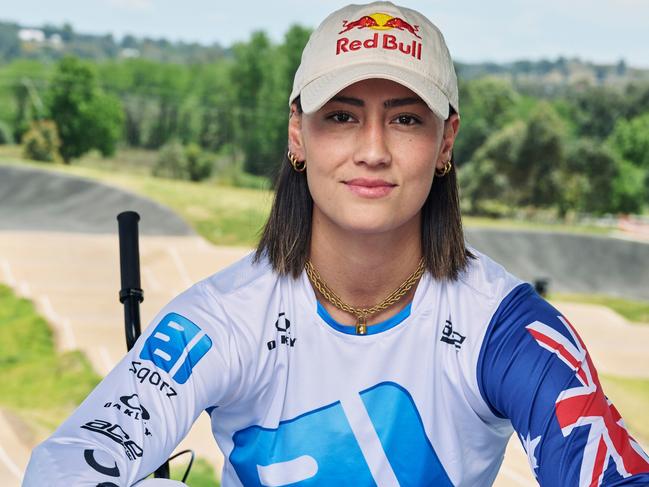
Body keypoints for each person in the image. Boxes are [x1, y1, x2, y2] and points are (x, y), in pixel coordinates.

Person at [23, 2, 649, 486]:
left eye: (406, 118)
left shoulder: (506, 328)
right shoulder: (220, 317)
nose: (373, 151)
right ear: (298, 133)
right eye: (342, 116)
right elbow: (71, 461)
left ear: (446, 142)